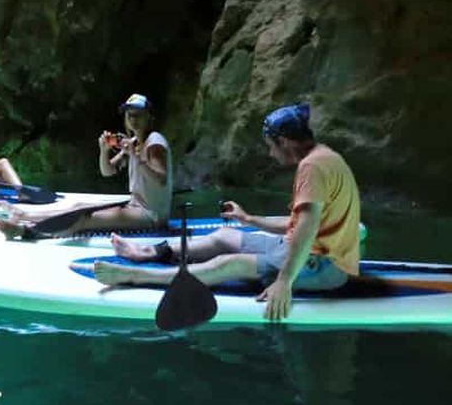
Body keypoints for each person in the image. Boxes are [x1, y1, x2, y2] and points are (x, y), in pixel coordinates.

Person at [85, 103, 361, 322]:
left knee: (230, 264)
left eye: (270, 146)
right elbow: (298, 222)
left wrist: (284, 282)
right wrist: (249, 220)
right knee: (225, 236)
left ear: (285, 141)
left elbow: (307, 227)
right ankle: (146, 253)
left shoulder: (312, 168)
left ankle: (133, 276)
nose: (271, 153)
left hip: (323, 266)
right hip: (303, 250)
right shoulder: (324, 156)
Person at [0, 93, 172, 238]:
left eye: (138, 114)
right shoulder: (134, 143)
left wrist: (135, 155)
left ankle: (28, 232)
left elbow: (161, 178)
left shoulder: (154, 144)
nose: (133, 118)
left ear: (149, 116)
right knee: (77, 206)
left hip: (151, 215)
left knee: (84, 218)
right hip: (135, 206)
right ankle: (25, 217)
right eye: (129, 114)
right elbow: (107, 171)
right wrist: (104, 150)